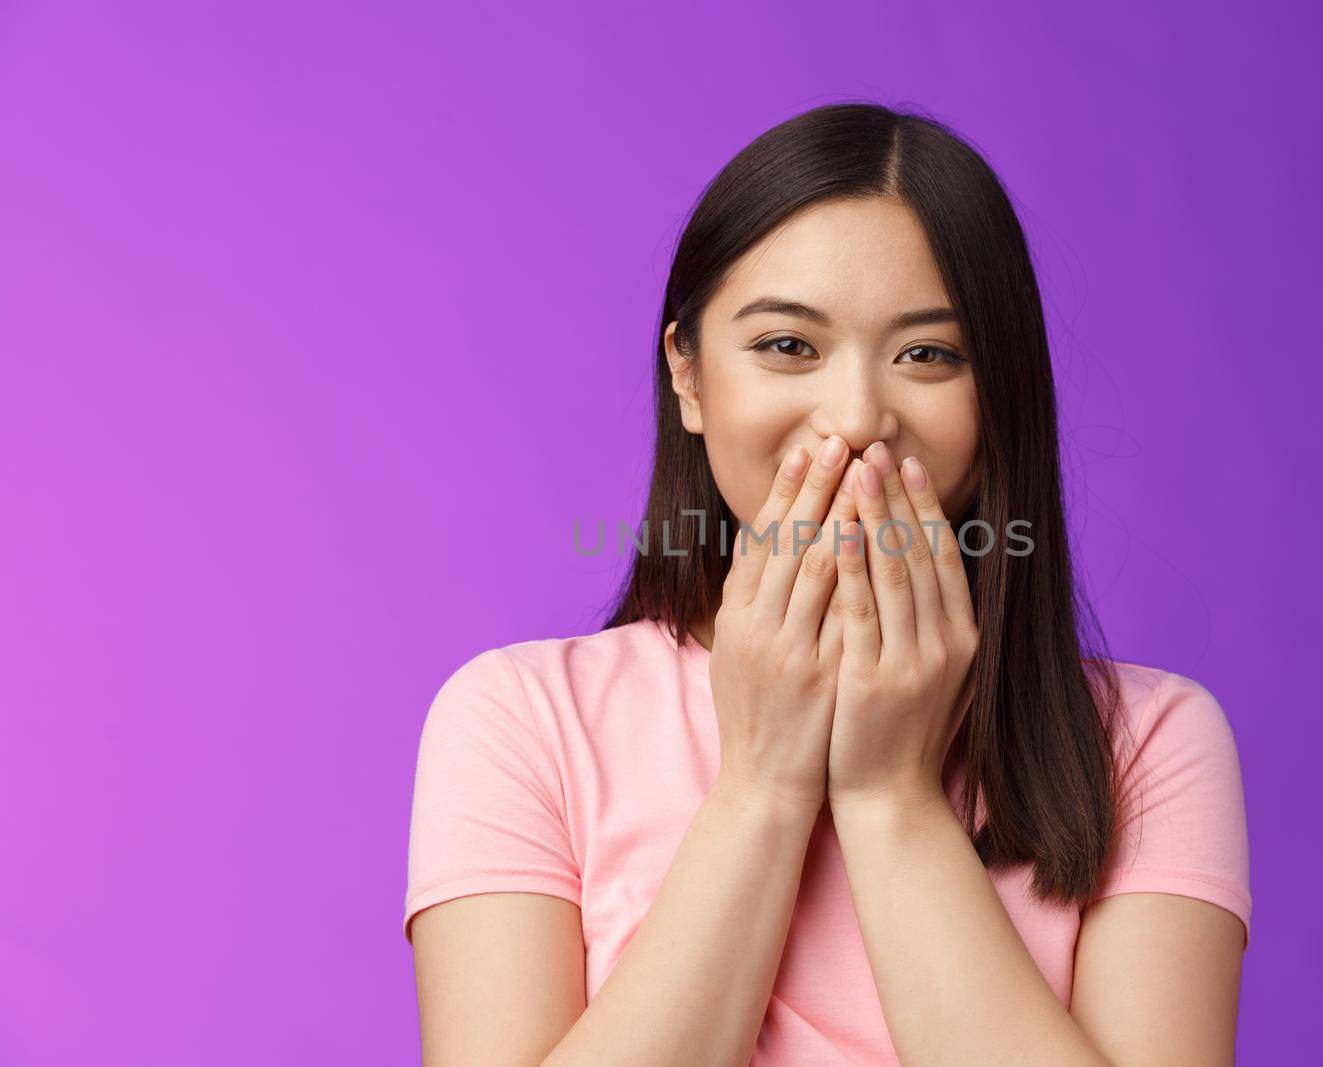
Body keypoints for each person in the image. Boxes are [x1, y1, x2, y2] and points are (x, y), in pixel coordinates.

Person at [404, 101, 1251, 1066]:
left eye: (928, 355)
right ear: (687, 374)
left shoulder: (1149, 744)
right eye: (788, 347)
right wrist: (762, 785)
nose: (855, 420)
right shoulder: (521, 719)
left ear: (1000, 388)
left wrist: (893, 797)